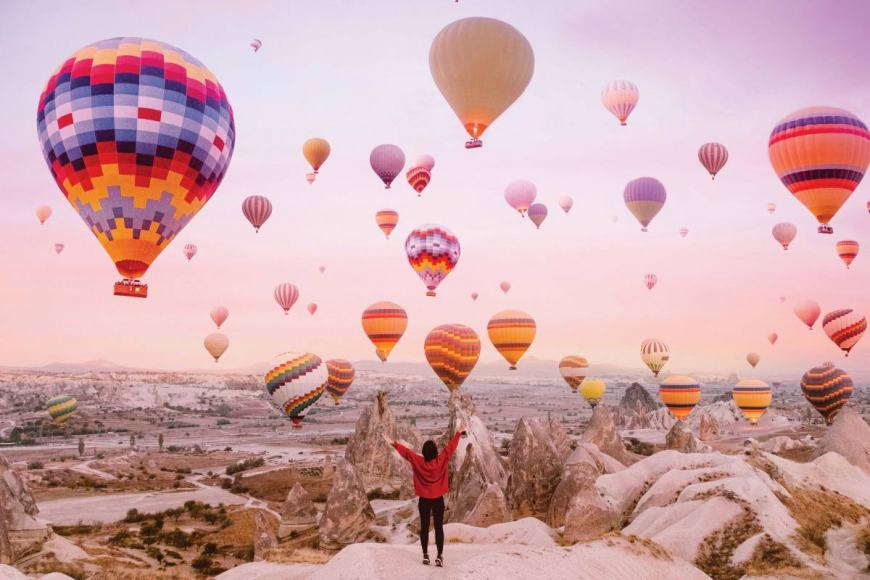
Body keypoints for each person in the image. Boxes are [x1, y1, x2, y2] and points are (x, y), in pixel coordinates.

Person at [384, 423, 465, 567]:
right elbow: (451, 447)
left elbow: (407, 453)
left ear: (424, 453)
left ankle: (426, 556)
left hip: (424, 500)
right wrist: (459, 432)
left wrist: (393, 443)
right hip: (438, 499)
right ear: (435, 452)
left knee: (425, 527)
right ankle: (439, 556)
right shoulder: (441, 460)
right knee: (439, 527)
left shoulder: (419, 461)